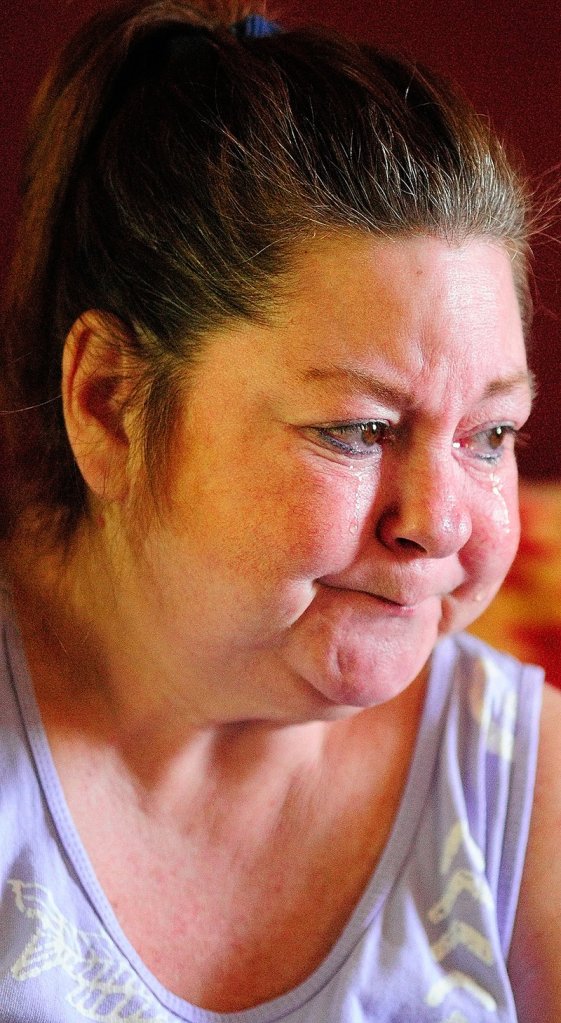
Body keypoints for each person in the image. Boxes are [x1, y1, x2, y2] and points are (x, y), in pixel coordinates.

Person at [0, 2, 559, 1019]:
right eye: (356, 430)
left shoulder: (526, 791)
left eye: (490, 435)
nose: (438, 523)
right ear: (110, 405)